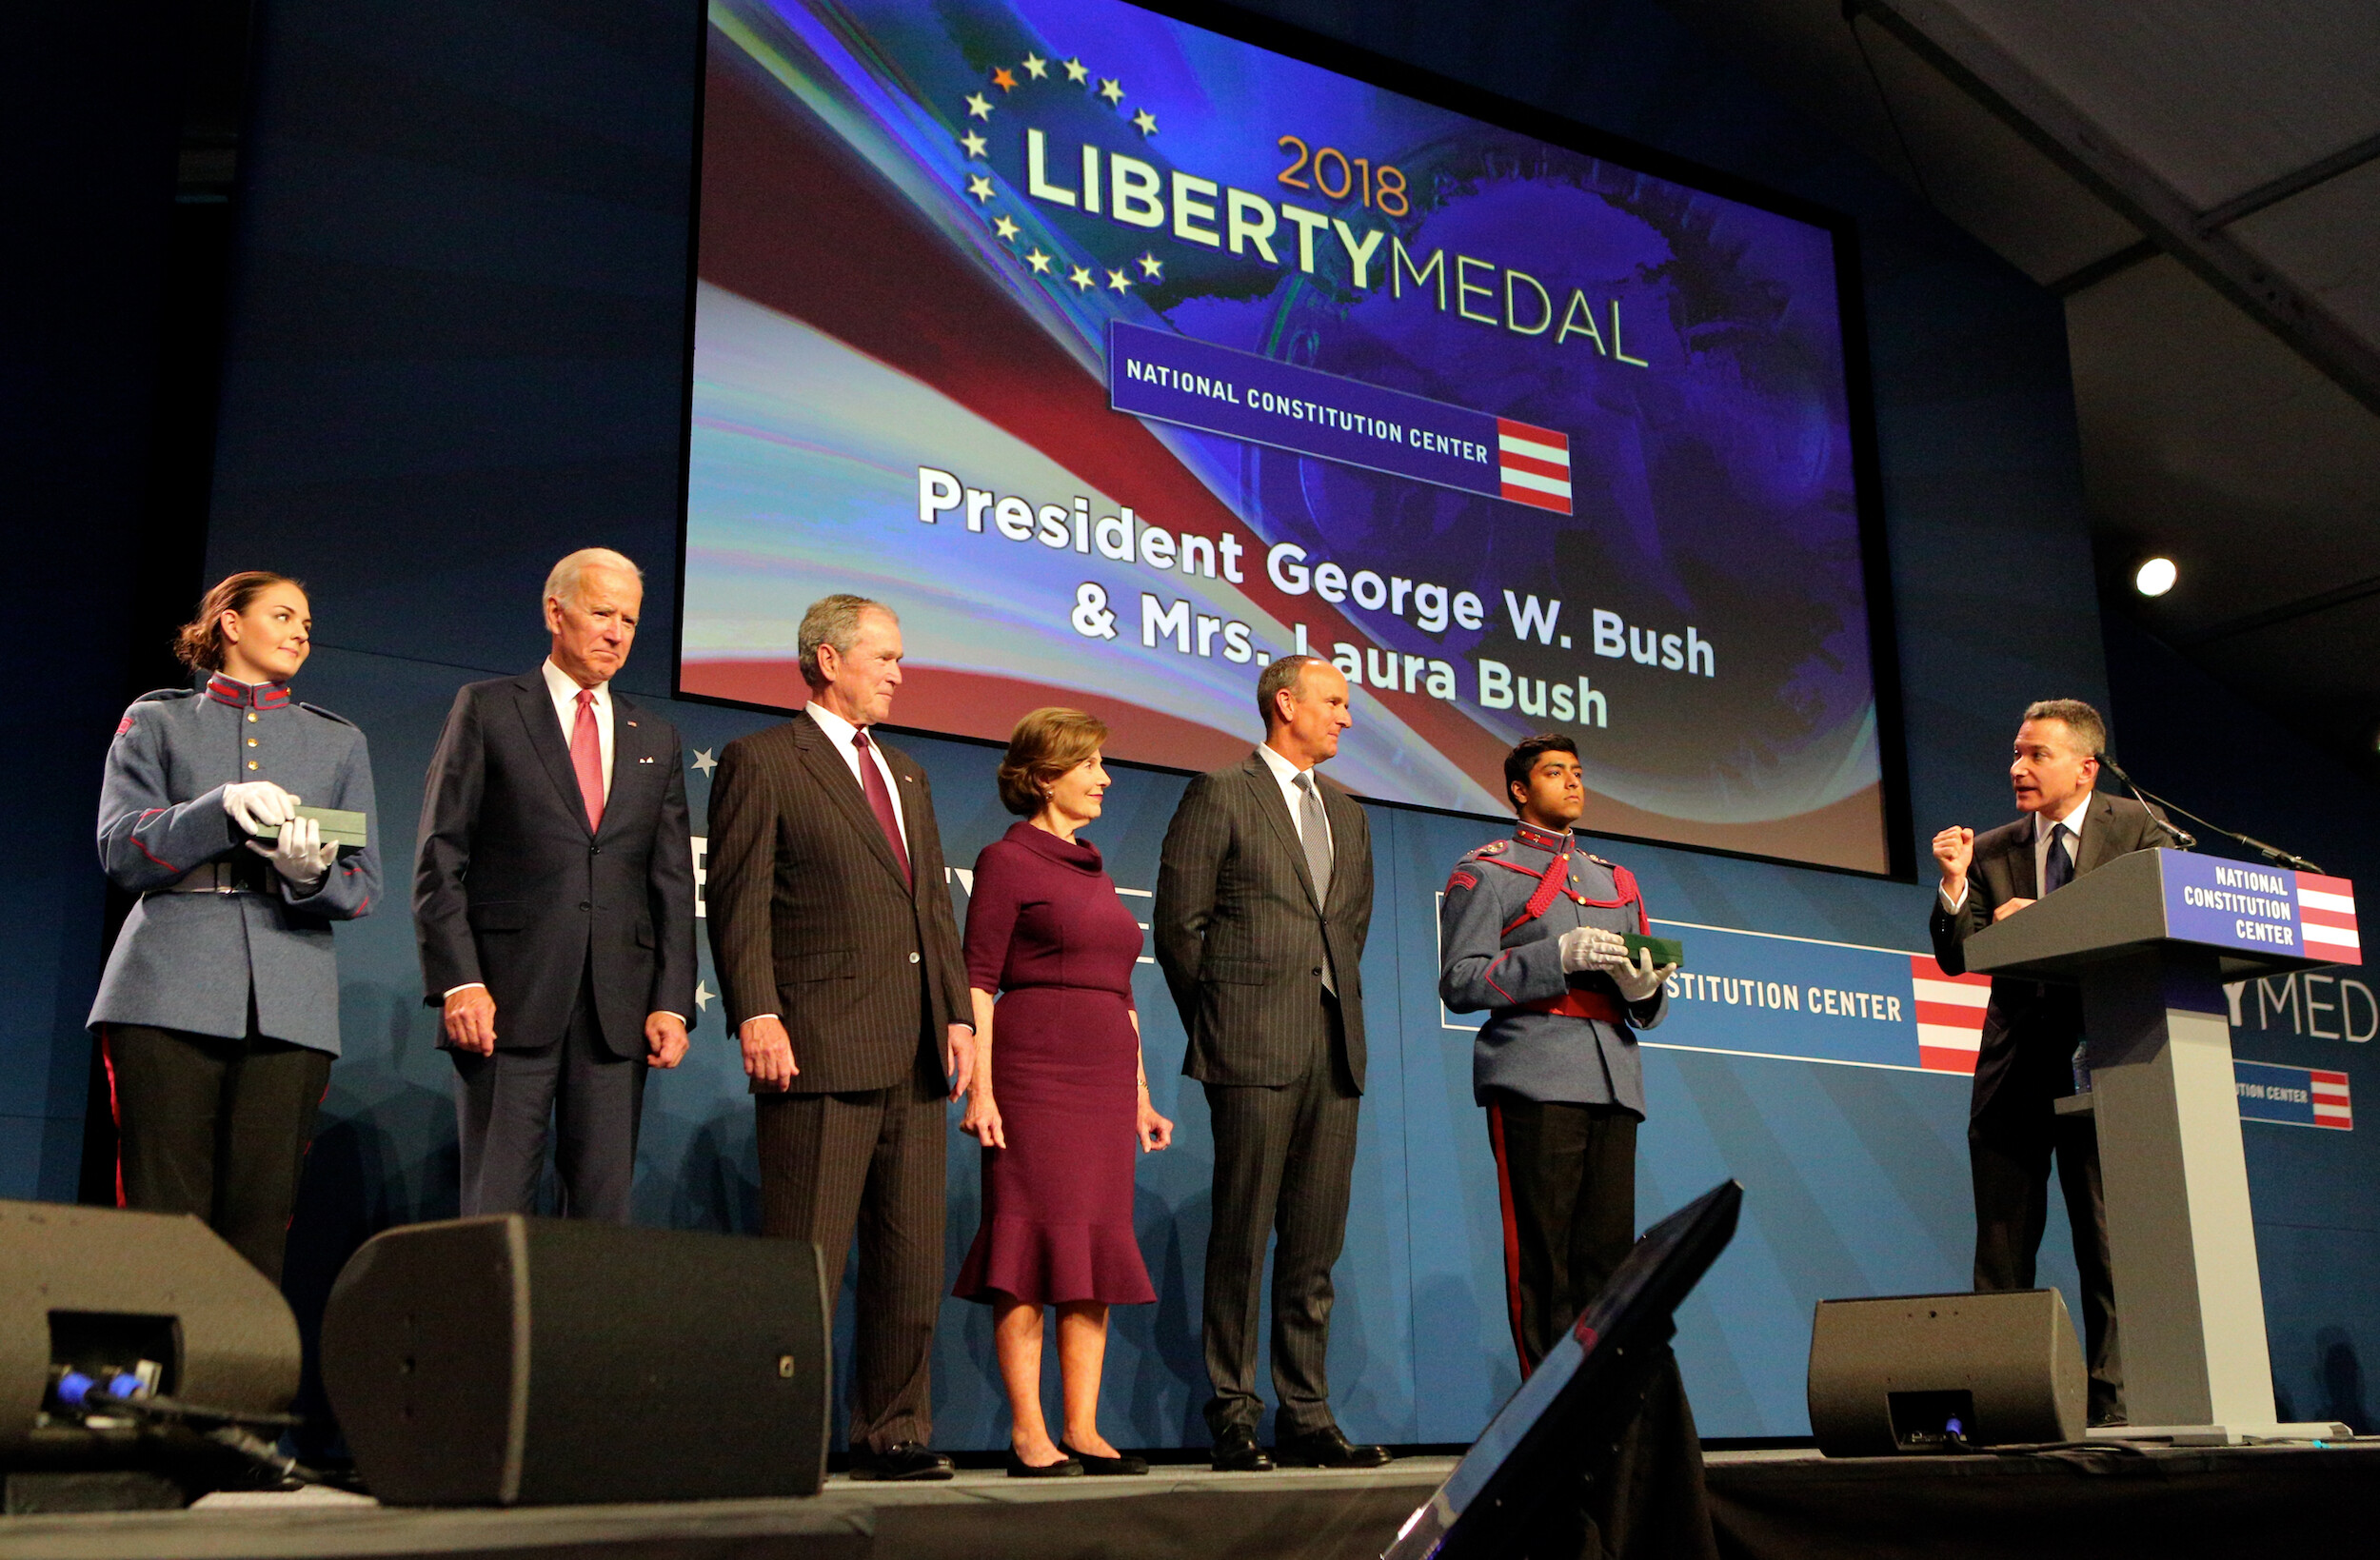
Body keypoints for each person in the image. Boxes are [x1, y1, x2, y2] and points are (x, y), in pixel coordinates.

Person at [704, 594, 975, 1481]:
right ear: (828, 659)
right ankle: (775, 1437)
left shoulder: (908, 773)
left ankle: (892, 1430)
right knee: (805, 1263)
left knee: (910, 1263)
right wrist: (757, 1010)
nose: (899, 672)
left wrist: (959, 1015)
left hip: (916, 1053)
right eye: (884, 656)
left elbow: (933, 910)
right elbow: (739, 900)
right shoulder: (763, 759)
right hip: (818, 1045)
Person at [89, 571, 380, 1282]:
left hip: (289, 996)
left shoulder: (338, 742)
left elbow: (362, 884)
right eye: (282, 615)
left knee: (260, 1216)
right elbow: (121, 849)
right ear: (229, 622)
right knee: (162, 1215)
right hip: (164, 989)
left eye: (307, 623)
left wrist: (308, 875)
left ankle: (239, 1356)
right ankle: (152, 1354)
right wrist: (216, 807)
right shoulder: (158, 721)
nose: (300, 632)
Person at [1153, 654, 1386, 1472]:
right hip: (1251, 1044)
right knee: (1243, 1235)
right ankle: (1234, 1411)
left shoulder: (1348, 814)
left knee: (1315, 1242)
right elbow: (1179, 927)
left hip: (1334, 1048)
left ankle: (1307, 1412)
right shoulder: (1222, 793)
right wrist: (1225, 1024)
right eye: (1334, 702)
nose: (1346, 717)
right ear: (1286, 703)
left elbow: (1348, 930)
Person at [413, 548, 695, 1224]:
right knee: (494, 1213)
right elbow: (439, 855)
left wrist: (672, 1001)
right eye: (602, 613)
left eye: (630, 620)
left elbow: (671, 882)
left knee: (601, 1221)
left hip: (617, 1014)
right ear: (555, 612)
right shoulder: (488, 708)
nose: (617, 633)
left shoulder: (655, 736)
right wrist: (459, 981)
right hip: (506, 1003)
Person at [1932, 698, 2166, 1426]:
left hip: (2107, 1053)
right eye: (2016, 751)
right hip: (2017, 1066)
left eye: (2037, 754)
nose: (2018, 767)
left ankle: (2117, 1408)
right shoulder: (1991, 848)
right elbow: (1956, 955)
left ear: (2086, 767)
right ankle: (2005, 1404)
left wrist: (2049, 920)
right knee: (2002, 1245)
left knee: (2107, 1242)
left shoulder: (2142, 829)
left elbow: (2160, 914)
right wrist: (1955, 885)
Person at [954, 708, 1174, 1478]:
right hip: (1034, 1076)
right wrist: (981, 1089)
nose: (1105, 778)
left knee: (1093, 1251)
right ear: (1046, 777)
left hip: (1104, 1083)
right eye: (1090, 764)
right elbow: (977, 980)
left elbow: (1121, 993)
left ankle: (1082, 1426)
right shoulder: (1006, 860)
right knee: (1026, 1248)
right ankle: (1030, 1432)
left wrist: (1140, 1096)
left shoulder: (1095, 867)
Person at [1437, 733, 1676, 1374]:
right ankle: (1546, 1408)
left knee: (1609, 1263)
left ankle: (1604, 1400)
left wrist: (1644, 990)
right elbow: (1460, 980)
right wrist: (1555, 957)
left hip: (1613, 1076)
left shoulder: (1616, 879)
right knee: (1544, 1261)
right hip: (1534, 1072)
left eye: (1577, 771)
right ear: (1519, 789)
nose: (1572, 782)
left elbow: (1648, 1000)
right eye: (1553, 772)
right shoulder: (1486, 870)